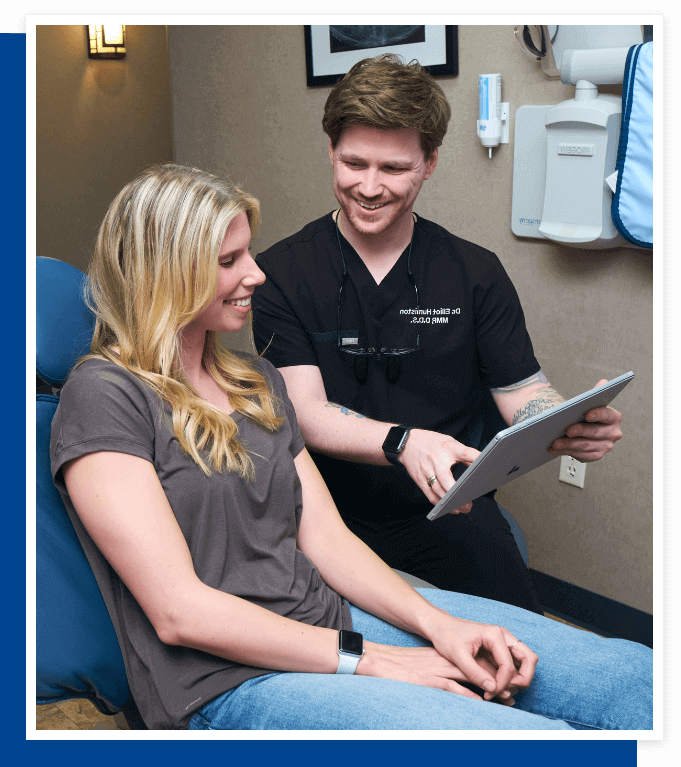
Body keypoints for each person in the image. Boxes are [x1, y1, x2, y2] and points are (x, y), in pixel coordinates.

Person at [50, 163, 650, 731]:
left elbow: (328, 540)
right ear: (164, 274)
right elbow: (179, 612)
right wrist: (372, 661)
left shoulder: (253, 382)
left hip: (332, 619)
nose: (256, 274)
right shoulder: (104, 395)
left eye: (249, 253)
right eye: (229, 260)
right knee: (505, 733)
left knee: (628, 680)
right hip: (229, 679)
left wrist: (441, 625)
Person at [251, 54, 624, 615]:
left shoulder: (475, 273)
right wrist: (404, 441)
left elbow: (523, 393)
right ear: (331, 151)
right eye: (354, 163)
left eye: (394, 169)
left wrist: (563, 422)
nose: (369, 188)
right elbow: (305, 409)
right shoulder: (280, 273)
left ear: (429, 163)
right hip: (324, 514)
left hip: (451, 511)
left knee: (519, 650)